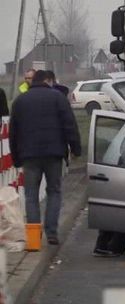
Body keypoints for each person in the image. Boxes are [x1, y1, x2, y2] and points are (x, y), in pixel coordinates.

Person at [9, 70, 81, 245]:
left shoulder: (20, 100)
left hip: (29, 155)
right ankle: (51, 233)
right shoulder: (58, 98)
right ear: (48, 81)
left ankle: (34, 237)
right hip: (54, 154)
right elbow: (69, 125)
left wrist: (16, 157)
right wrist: (76, 149)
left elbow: (13, 132)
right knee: (54, 191)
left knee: (31, 195)